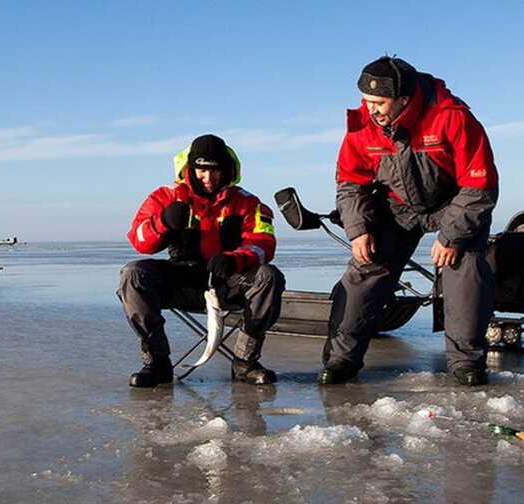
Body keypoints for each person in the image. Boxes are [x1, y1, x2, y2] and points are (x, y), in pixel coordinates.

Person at [320, 56, 499, 386]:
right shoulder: (362, 126)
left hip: (453, 203)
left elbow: (479, 185)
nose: (371, 109)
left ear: (403, 99)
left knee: (466, 271)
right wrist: (358, 230)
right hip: (397, 206)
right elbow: (349, 183)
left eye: (379, 102)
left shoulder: (452, 118)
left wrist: (452, 236)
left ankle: (466, 363)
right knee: (364, 270)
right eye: (367, 100)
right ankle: (341, 360)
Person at [118, 134, 285, 387]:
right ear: (191, 169)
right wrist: (162, 222)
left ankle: (245, 362)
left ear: (226, 170)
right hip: (181, 280)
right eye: (202, 170)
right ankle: (157, 362)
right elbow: (139, 240)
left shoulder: (247, 202)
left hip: (228, 282)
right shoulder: (166, 196)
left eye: (215, 170)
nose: (208, 178)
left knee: (269, 276)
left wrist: (235, 259)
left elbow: (264, 244)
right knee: (133, 274)